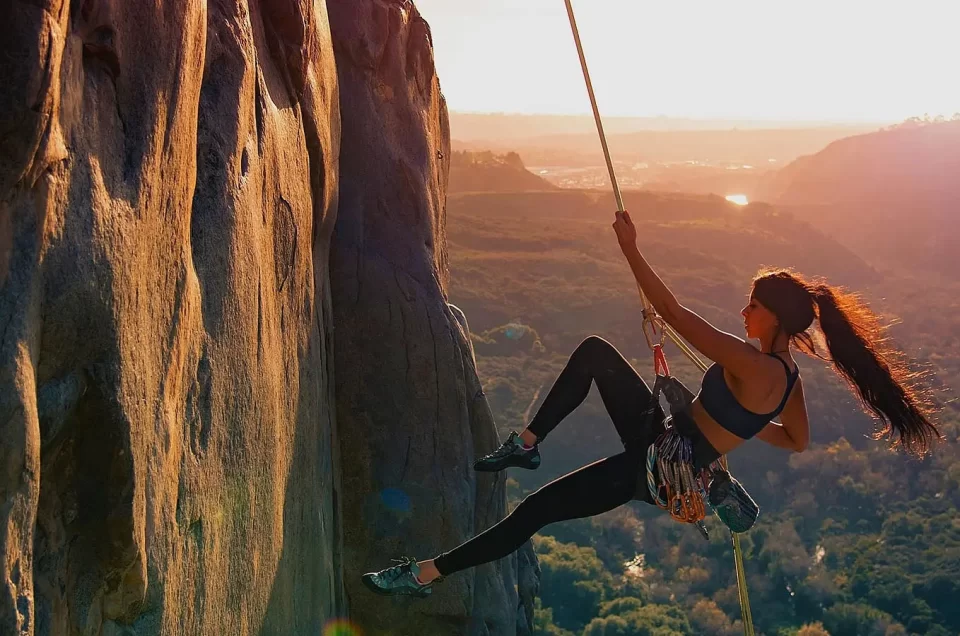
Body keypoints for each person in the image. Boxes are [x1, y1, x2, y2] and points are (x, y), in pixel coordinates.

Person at [361, 209, 942, 598]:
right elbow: (798, 441)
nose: (744, 313)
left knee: (533, 513)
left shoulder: (755, 363)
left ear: (775, 318)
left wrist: (630, 250)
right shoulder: (787, 381)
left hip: (659, 462)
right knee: (594, 353)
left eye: (752, 306)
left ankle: (423, 573)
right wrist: (734, 435)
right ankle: (529, 445)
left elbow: (678, 314)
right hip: (670, 441)